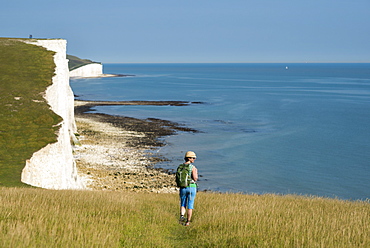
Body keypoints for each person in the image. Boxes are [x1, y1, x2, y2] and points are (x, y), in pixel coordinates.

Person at [179, 151, 198, 226]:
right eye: (193, 158)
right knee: (190, 205)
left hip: (183, 187)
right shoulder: (192, 167)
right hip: (191, 187)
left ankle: (181, 217)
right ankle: (188, 222)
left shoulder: (180, 167)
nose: (194, 159)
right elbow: (195, 178)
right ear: (189, 158)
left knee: (183, 204)